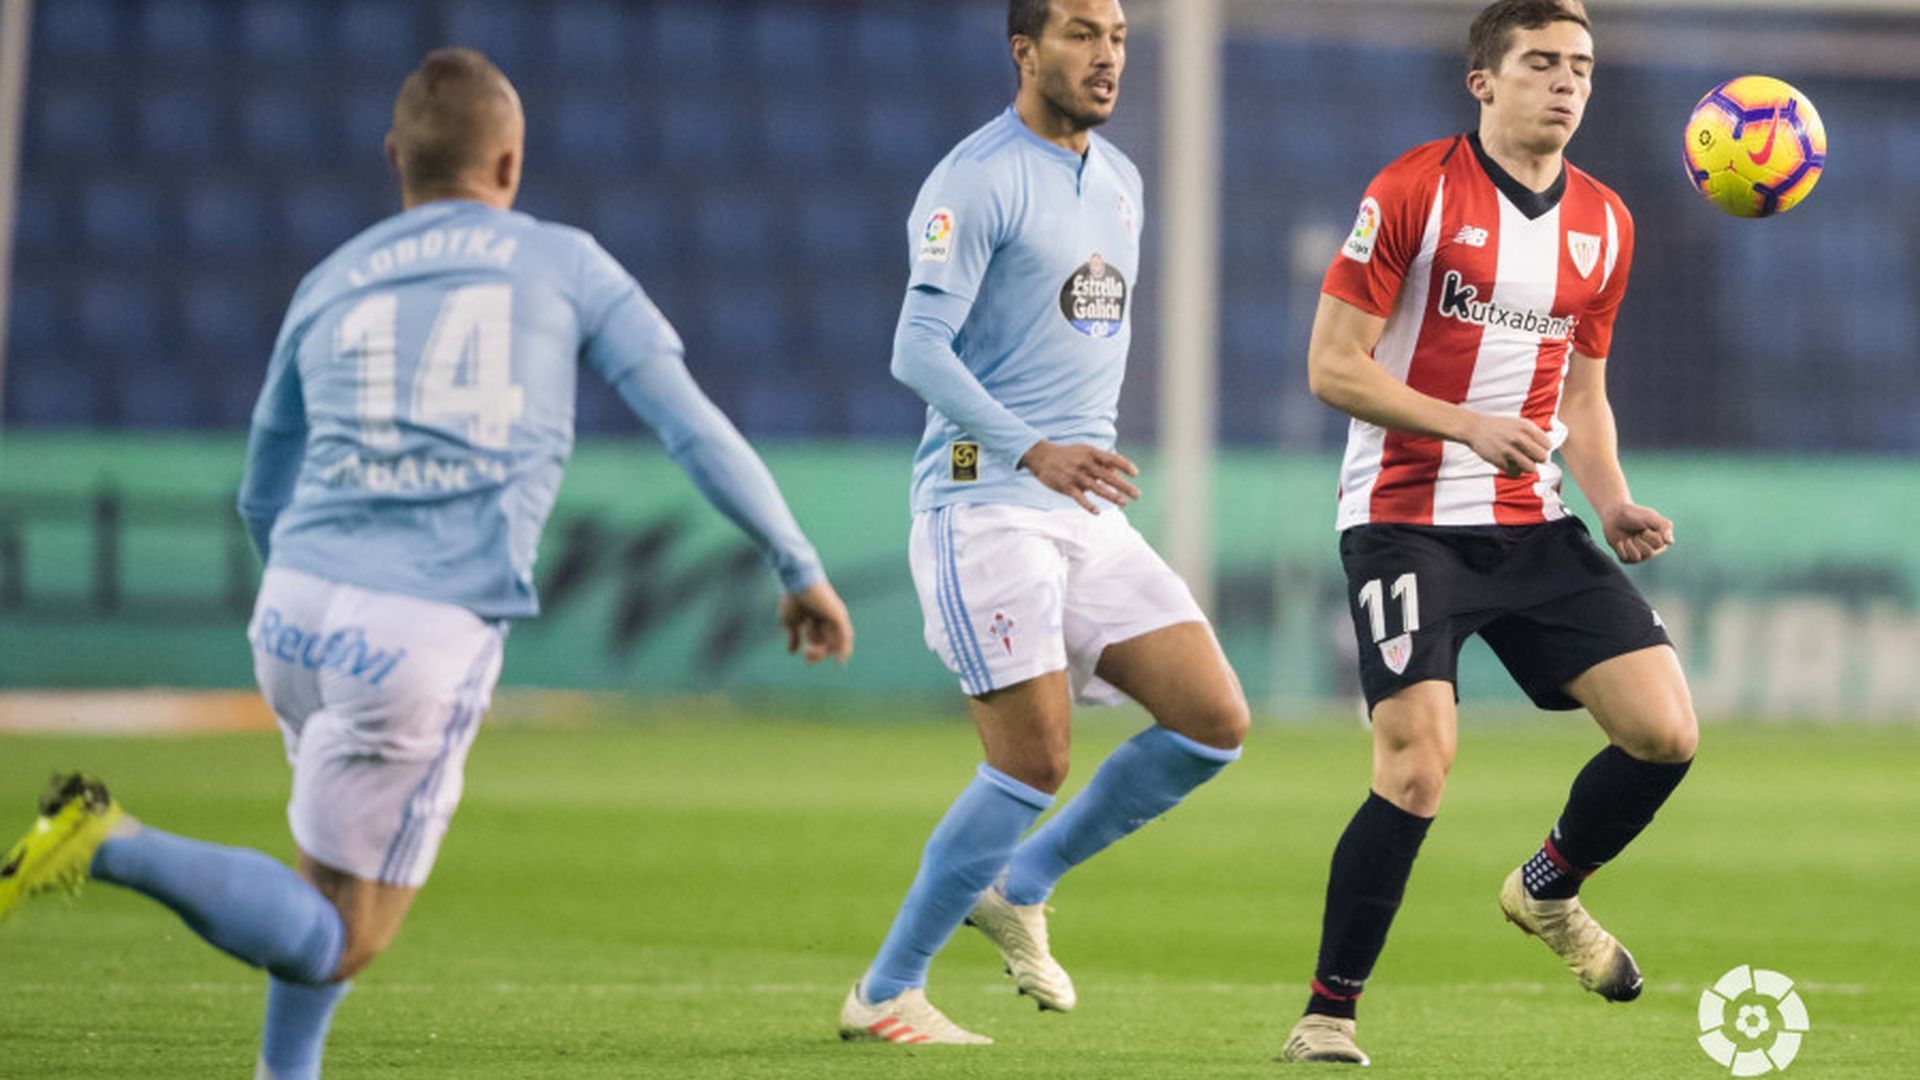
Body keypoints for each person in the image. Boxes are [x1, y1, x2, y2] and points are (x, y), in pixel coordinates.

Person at [0, 48, 853, 1080]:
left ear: (395, 157)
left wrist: (306, 602)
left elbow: (261, 491)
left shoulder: (330, 279)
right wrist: (796, 564)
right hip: (419, 626)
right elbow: (693, 429)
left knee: (327, 875)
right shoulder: (566, 263)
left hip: (294, 609)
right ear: (511, 162)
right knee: (341, 935)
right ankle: (111, 841)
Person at [1279, 0, 1698, 1065]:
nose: (1566, 83)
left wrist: (1610, 499)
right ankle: (1327, 1015)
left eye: (1582, 67)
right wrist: (1465, 424)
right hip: (1404, 519)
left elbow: (1583, 397)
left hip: (1529, 522)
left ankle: (1547, 890)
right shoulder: (1412, 190)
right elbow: (1332, 366)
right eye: (1541, 62)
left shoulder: (1606, 222)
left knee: (1665, 733)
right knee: (1418, 762)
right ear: (1484, 80)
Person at [837, 0, 1250, 1047]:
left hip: (1080, 506)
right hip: (984, 500)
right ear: (1024, 51)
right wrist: (1033, 448)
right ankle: (887, 992)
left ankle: (1021, 882)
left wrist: (1063, 461)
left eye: (1117, 35)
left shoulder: (1121, 180)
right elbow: (917, 350)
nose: (1107, 55)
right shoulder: (974, 180)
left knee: (1211, 721)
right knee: (1032, 761)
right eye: (1080, 33)